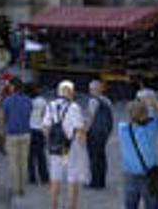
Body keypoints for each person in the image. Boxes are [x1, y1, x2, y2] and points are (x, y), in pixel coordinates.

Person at [119, 95, 158, 209]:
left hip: (129, 175)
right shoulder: (150, 130)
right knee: (152, 205)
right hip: (149, 174)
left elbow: (131, 117)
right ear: (144, 116)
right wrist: (153, 102)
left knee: (130, 205)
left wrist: (138, 107)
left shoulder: (122, 129)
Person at [43, 80, 89, 209]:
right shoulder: (74, 107)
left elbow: (45, 128)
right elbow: (80, 130)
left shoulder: (50, 106)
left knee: (55, 179)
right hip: (70, 148)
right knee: (71, 181)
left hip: (55, 149)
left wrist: (51, 141)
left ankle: (53, 206)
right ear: (71, 92)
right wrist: (83, 148)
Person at [2, 78, 33, 198]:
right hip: (26, 133)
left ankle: (15, 188)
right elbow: (29, 113)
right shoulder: (28, 100)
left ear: (13, 87)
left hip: (12, 133)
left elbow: (5, 117)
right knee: (23, 162)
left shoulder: (7, 100)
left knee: (13, 163)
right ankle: (22, 188)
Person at [86, 80, 114, 189]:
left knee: (94, 158)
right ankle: (102, 181)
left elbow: (91, 118)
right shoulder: (107, 100)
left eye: (91, 89)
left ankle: (95, 182)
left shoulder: (93, 101)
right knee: (101, 157)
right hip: (104, 133)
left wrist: (85, 131)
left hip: (94, 133)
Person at [28, 84, 49, 186]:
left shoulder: (29, 101)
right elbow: (45, 114)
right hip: (40, 130)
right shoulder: (43, 101)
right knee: (41, 155)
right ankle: (44, 177)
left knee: (30, 156)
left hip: (30, 129)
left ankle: (32, 177)